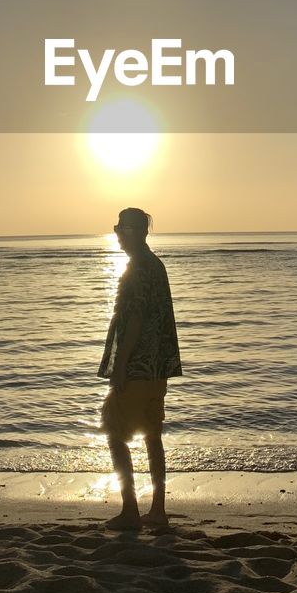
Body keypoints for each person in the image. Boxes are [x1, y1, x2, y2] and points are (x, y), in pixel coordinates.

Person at [97, 207, 182, 529]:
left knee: (114, 433)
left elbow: (133, 320)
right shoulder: (156, 266)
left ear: (134, 231)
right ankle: (158, 510)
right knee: (152, 435)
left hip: (137, 367)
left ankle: (130, 509)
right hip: (157, 369)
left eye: (120, 227)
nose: (117, 233)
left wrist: (120, 365)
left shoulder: (137, 269)